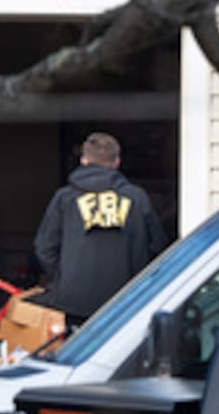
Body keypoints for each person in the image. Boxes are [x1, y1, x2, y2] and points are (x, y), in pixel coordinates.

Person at [34, 132, 168, 324]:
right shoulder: (137, 198)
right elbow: (159, 247)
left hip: (74, 303)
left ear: (84, 160)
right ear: (116, 163)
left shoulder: (65, 198)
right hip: (125, 302)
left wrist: (64, 279)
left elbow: (44, 248)